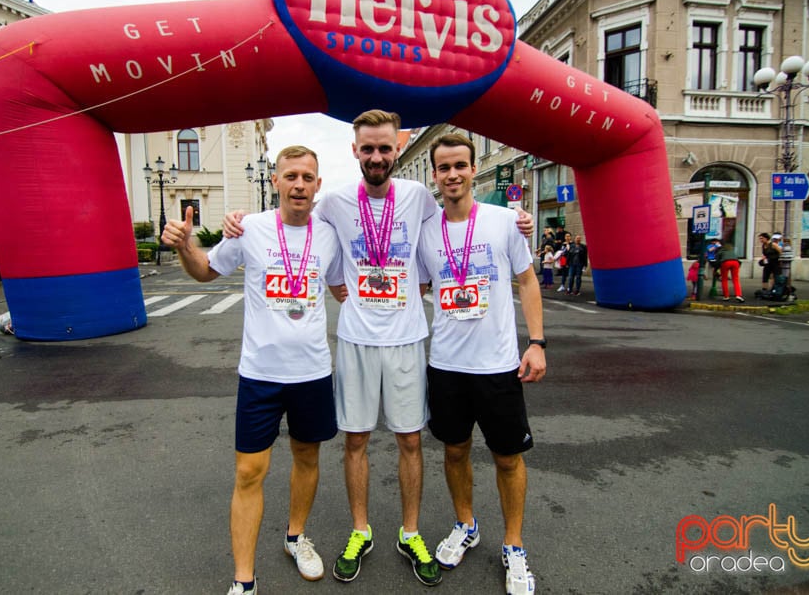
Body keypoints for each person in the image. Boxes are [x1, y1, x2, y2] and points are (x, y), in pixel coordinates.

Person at [223, 111, 536, 587]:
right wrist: (241, 220)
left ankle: (410, 532)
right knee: (356, 441)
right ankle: (359, 530)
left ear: (396, 150)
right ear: (355, 151)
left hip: (409, 339)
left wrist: (517, 218)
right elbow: (304, 239)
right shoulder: (332, 203)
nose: (376, 156)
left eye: (385, 148)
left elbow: (456, 229)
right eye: (367, 148)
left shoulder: (418, 198)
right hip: (355, 341)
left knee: (411, 440)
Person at [163, 146, 343, 595]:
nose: (299, 184)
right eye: (290, 175)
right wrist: (187, 246)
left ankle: (296, 536)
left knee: (307, 458)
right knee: (248, 472)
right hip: (261, 374)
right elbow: (206, 272)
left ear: (318, 185)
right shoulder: (250, 229)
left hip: (313, 372)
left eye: (307, 176)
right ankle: (244, 580)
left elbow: (343, 287)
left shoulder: (330, 235)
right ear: (276, 181)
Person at [417, 133, 546, 595]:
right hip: (447, 364)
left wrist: (537, 343)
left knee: (507, 458)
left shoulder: (506, 221)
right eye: (443, 167)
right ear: (435, 175)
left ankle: (513, 545)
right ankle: (466, 525)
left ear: (473, 170)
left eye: (460, 165)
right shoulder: (425, 230)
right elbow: (417, 288)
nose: (452, 174)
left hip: (497, 365)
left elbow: (528, 282)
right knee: (454, 451)